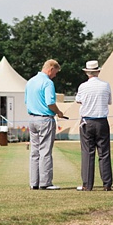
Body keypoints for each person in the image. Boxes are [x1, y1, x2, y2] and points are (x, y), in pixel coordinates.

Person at [25, 59, 68, 190]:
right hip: (45, 119)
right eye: (55, 72)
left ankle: (34, 182)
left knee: (34, 151)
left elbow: (26, 101)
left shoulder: (30, 81)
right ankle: (45, 182)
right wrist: (59, 112)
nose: (55, 75)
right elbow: (50, 103)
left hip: (32, 119)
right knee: (45, 151)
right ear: (51, 69)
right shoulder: (48, 83)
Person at [74, 60, 113, 191]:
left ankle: (87, 184)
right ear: (98, 71)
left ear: (87, 73)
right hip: (102, 121)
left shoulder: (82, 86)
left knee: (87, 153)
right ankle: (107, 184)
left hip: (87, 121)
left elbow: (78, 100)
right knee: (104, 153)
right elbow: (109, 101)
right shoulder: (105, 85)